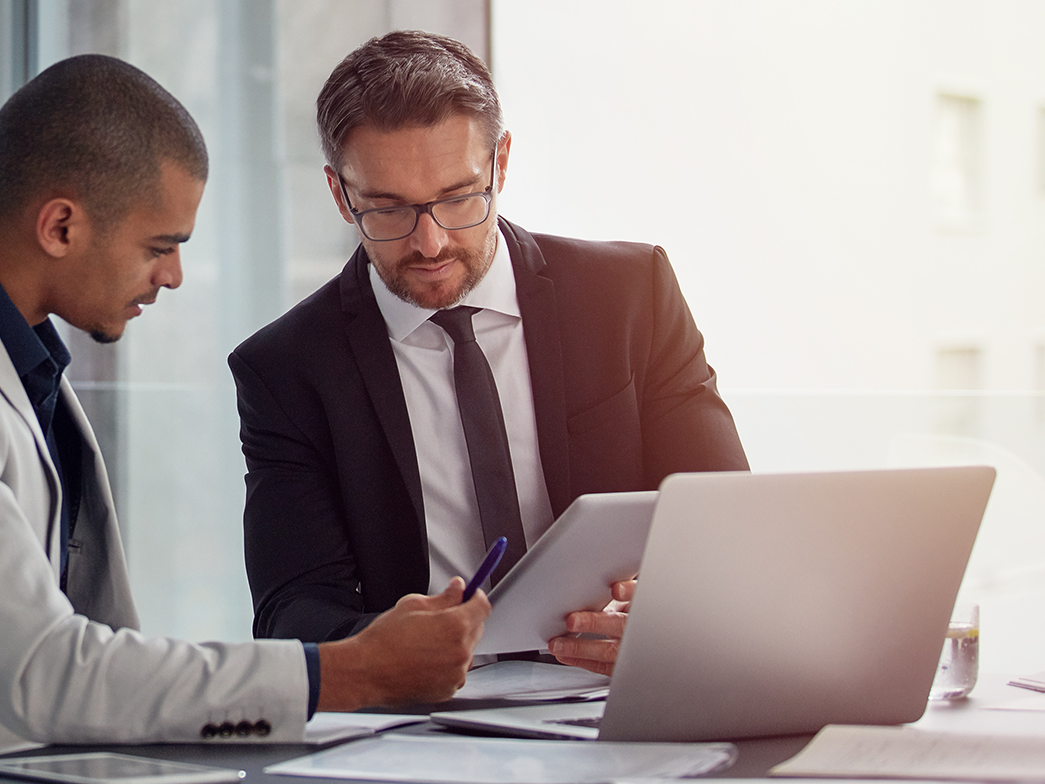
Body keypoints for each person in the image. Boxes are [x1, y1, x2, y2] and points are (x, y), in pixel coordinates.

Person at [0, 54, 489, 784]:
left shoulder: (1, 349)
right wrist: (347, 672)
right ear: (60, 226)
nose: (172, 275)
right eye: (159, 247)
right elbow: (45, 672)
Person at [229, 31, 748, 676]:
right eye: (388, 209)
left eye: (457, 197)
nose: (430, 242)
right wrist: (387, 648)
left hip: (623, 689)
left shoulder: (629, 295)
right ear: (341, 195)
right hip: (428, 718)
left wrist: (670, 614)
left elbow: (729, 524)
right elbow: (292, 607)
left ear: (500, 164)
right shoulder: (285, 368)